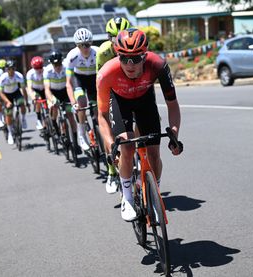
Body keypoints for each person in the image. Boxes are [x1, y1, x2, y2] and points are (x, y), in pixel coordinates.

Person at [97, 28, 183, 221]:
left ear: (145, 56)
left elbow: (173, 105)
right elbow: (101, 115)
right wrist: (112, 144)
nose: (130, 64)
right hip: (120, 103)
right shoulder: (106, 73)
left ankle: (155, 191)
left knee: (154, 151)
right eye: (124, 58)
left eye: (135, 58)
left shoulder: (158, 65)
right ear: (117, 55)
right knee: (127, 147)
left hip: (145, 100)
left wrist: (174, 134)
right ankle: (127, 197)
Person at [96, 16, 131, 194]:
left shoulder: (132, 46)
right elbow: (101, 82)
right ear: (109, 38)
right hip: (110, 89)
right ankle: (111, 170)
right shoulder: (103, 53)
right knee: (107, 125)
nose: (118, 42)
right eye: (114, 38)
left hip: (129, 88)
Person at [65, 28, 99, 151]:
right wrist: (73, 102)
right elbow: (68, 83)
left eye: (87, 44)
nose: (85, 48)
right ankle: (81, 132)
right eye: (81, 45)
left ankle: (100, 130)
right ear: (77, 46)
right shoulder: (72, 56)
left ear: (91, 43)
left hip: (93, 79)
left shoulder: (97, 53)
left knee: (97, 108)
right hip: (79, 79)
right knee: (82, 104)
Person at [44, 50, 79, 152]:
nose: (58, 66)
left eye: (59, 63)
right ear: (51, 64)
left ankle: (76, 143)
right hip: (54, 93)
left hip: (65, 92)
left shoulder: (66, 67)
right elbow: (47, 89)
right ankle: (56, 127)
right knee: (53, 108)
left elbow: (72, 83)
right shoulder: (47, 71)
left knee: (70, 116)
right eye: (55, 64)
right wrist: (52, 99)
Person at [0, 60, 28, 145]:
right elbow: (1, 93)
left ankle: (23, 118)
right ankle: (10, 133)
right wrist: (7, 102)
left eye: (13, 69)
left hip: (16, 92)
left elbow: (23, 90)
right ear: (6, 70)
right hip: (6, 95)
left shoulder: (19, 76)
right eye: (9, 69)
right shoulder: (3, 78)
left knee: (21, 103)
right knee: (8, 112)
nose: (11, 71)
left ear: (15, 69)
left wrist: (26, 101)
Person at [26, 56, 45, 130]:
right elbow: (29, 88)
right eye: (37, 68)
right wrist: (33, 96)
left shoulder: (46, 70)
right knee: (38, 101)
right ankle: (39, 119)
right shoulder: (30, 74)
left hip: (44, 89)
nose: (39, 69)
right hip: (35, 90)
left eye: (40, 67)